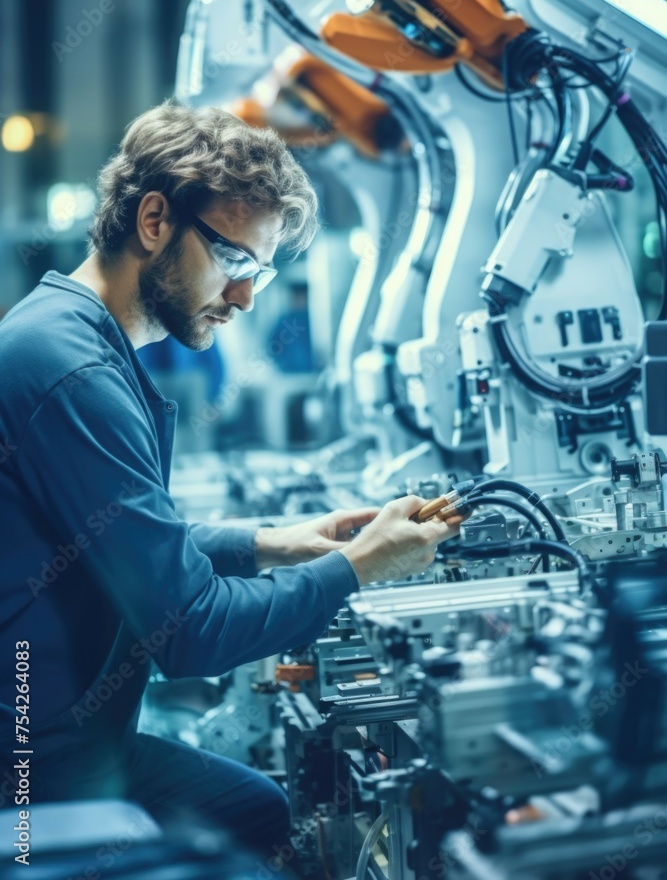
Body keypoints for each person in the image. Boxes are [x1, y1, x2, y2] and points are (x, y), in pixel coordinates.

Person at [0, 101, 456, 857]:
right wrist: (356, 568)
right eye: (236, 261)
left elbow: (118, 540)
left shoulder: (70, 338)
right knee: (243, 821)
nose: (246, 297)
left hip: (60, 734)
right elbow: (191, 632)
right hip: (34, 770)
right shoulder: (70, 370)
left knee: (251, 806)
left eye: (260, 272)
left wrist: (272, 543)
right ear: (154, 220)